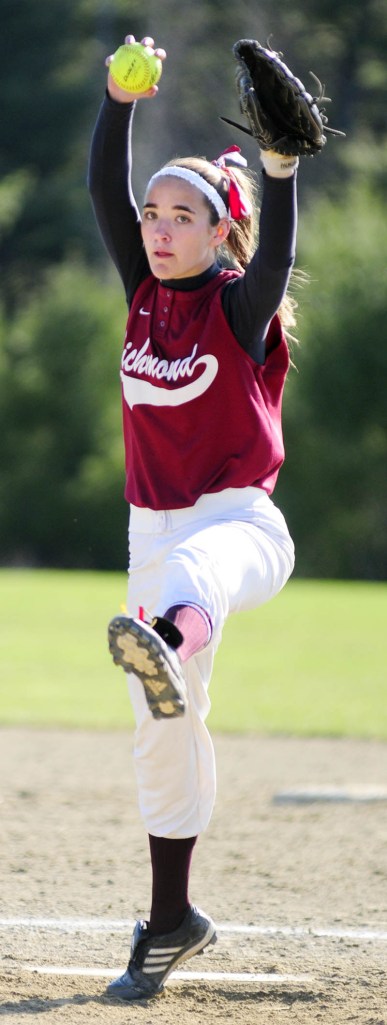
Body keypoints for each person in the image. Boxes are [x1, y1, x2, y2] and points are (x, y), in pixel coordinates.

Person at [88, 32, 298, 1002]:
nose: (161, 227)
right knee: (162, 733)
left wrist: (281, 167)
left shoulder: (234, 306)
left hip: (239, 528)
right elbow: (103, 189)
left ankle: (170, 631)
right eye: (154, 214)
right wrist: (121, 102)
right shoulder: (141, 294)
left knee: (185, 588)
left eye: (185, 216)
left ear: (220, 234)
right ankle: (171, 918)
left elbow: (277, 248)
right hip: (153, 529)